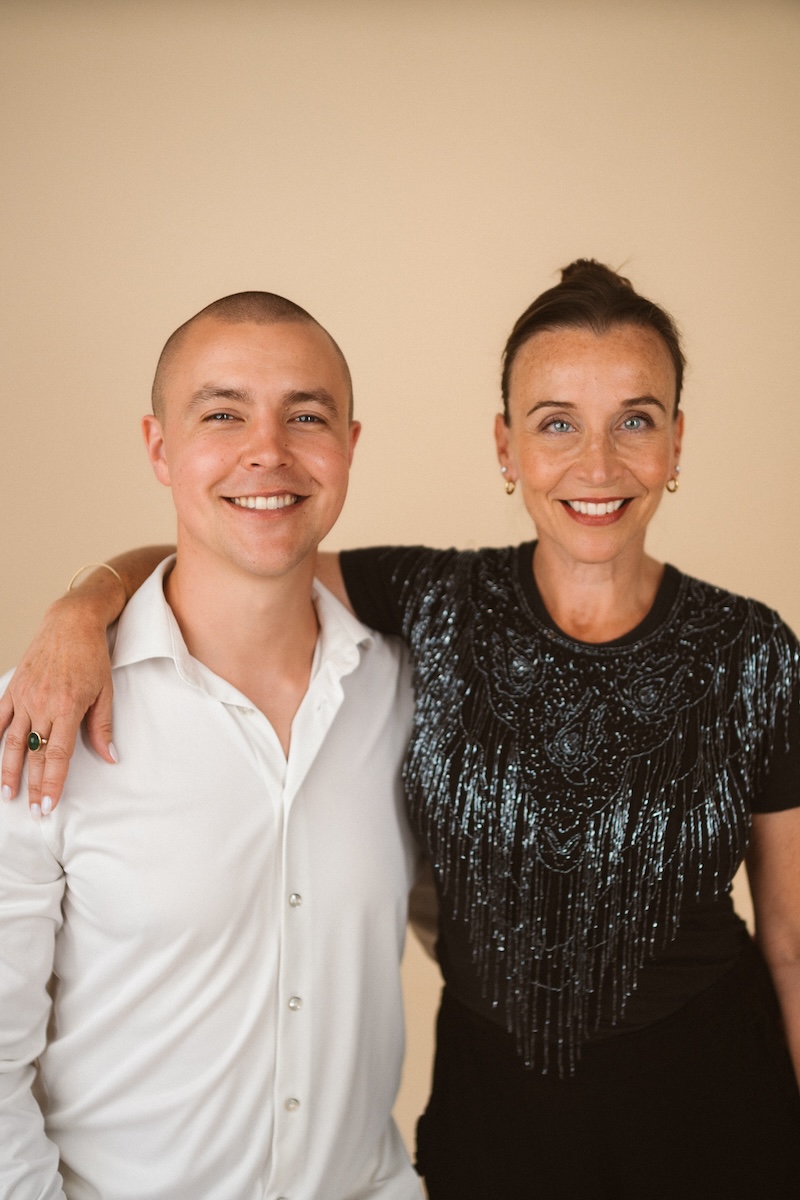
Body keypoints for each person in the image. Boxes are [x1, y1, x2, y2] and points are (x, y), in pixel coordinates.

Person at [3, 261, 800, 1198]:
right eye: (556, 423)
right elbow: (245, 545)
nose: (598, 463)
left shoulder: (746, 648)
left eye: (636, 418)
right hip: (497, 1132)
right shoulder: (432, 606)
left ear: (675, 440)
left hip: (714, 1115)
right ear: (506, 447)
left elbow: (789, 937)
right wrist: (83, 603)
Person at [0, 292, 426, 1199]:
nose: (267, 450)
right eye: (222, 413)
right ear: (160, 447)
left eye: (305, 415)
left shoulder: (403, 690)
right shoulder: (43, 711)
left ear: (350, 445)